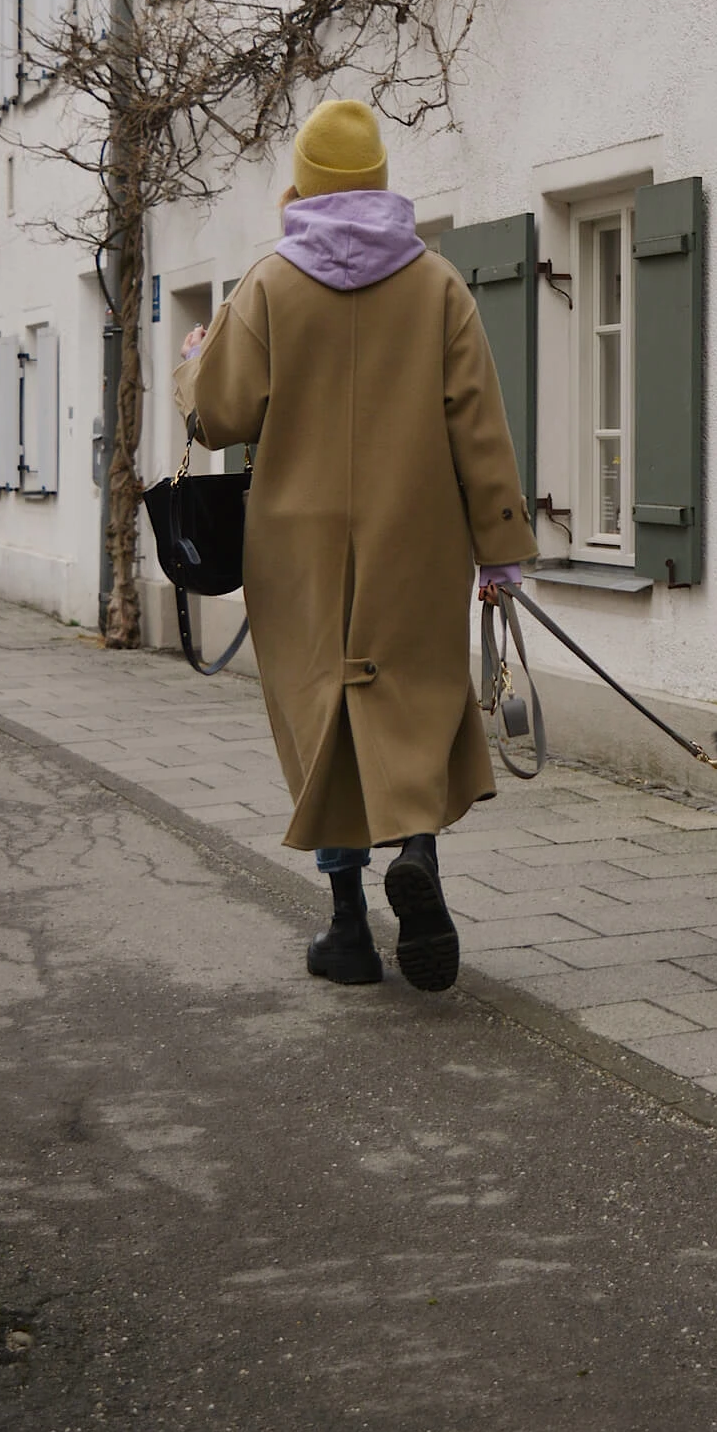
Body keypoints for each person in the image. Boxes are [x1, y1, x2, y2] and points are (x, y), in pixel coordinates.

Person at [173, 98, 536, 993]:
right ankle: (417, 849)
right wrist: (499, 550)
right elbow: (479, 428)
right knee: (414, 699)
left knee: (320, 715)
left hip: (295, 550)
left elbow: (216, 417)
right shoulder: (439, 284)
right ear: (381, 185)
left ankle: (346, 928)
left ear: (300, 189)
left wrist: (196, 355)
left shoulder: (266, 285)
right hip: (417, 539)